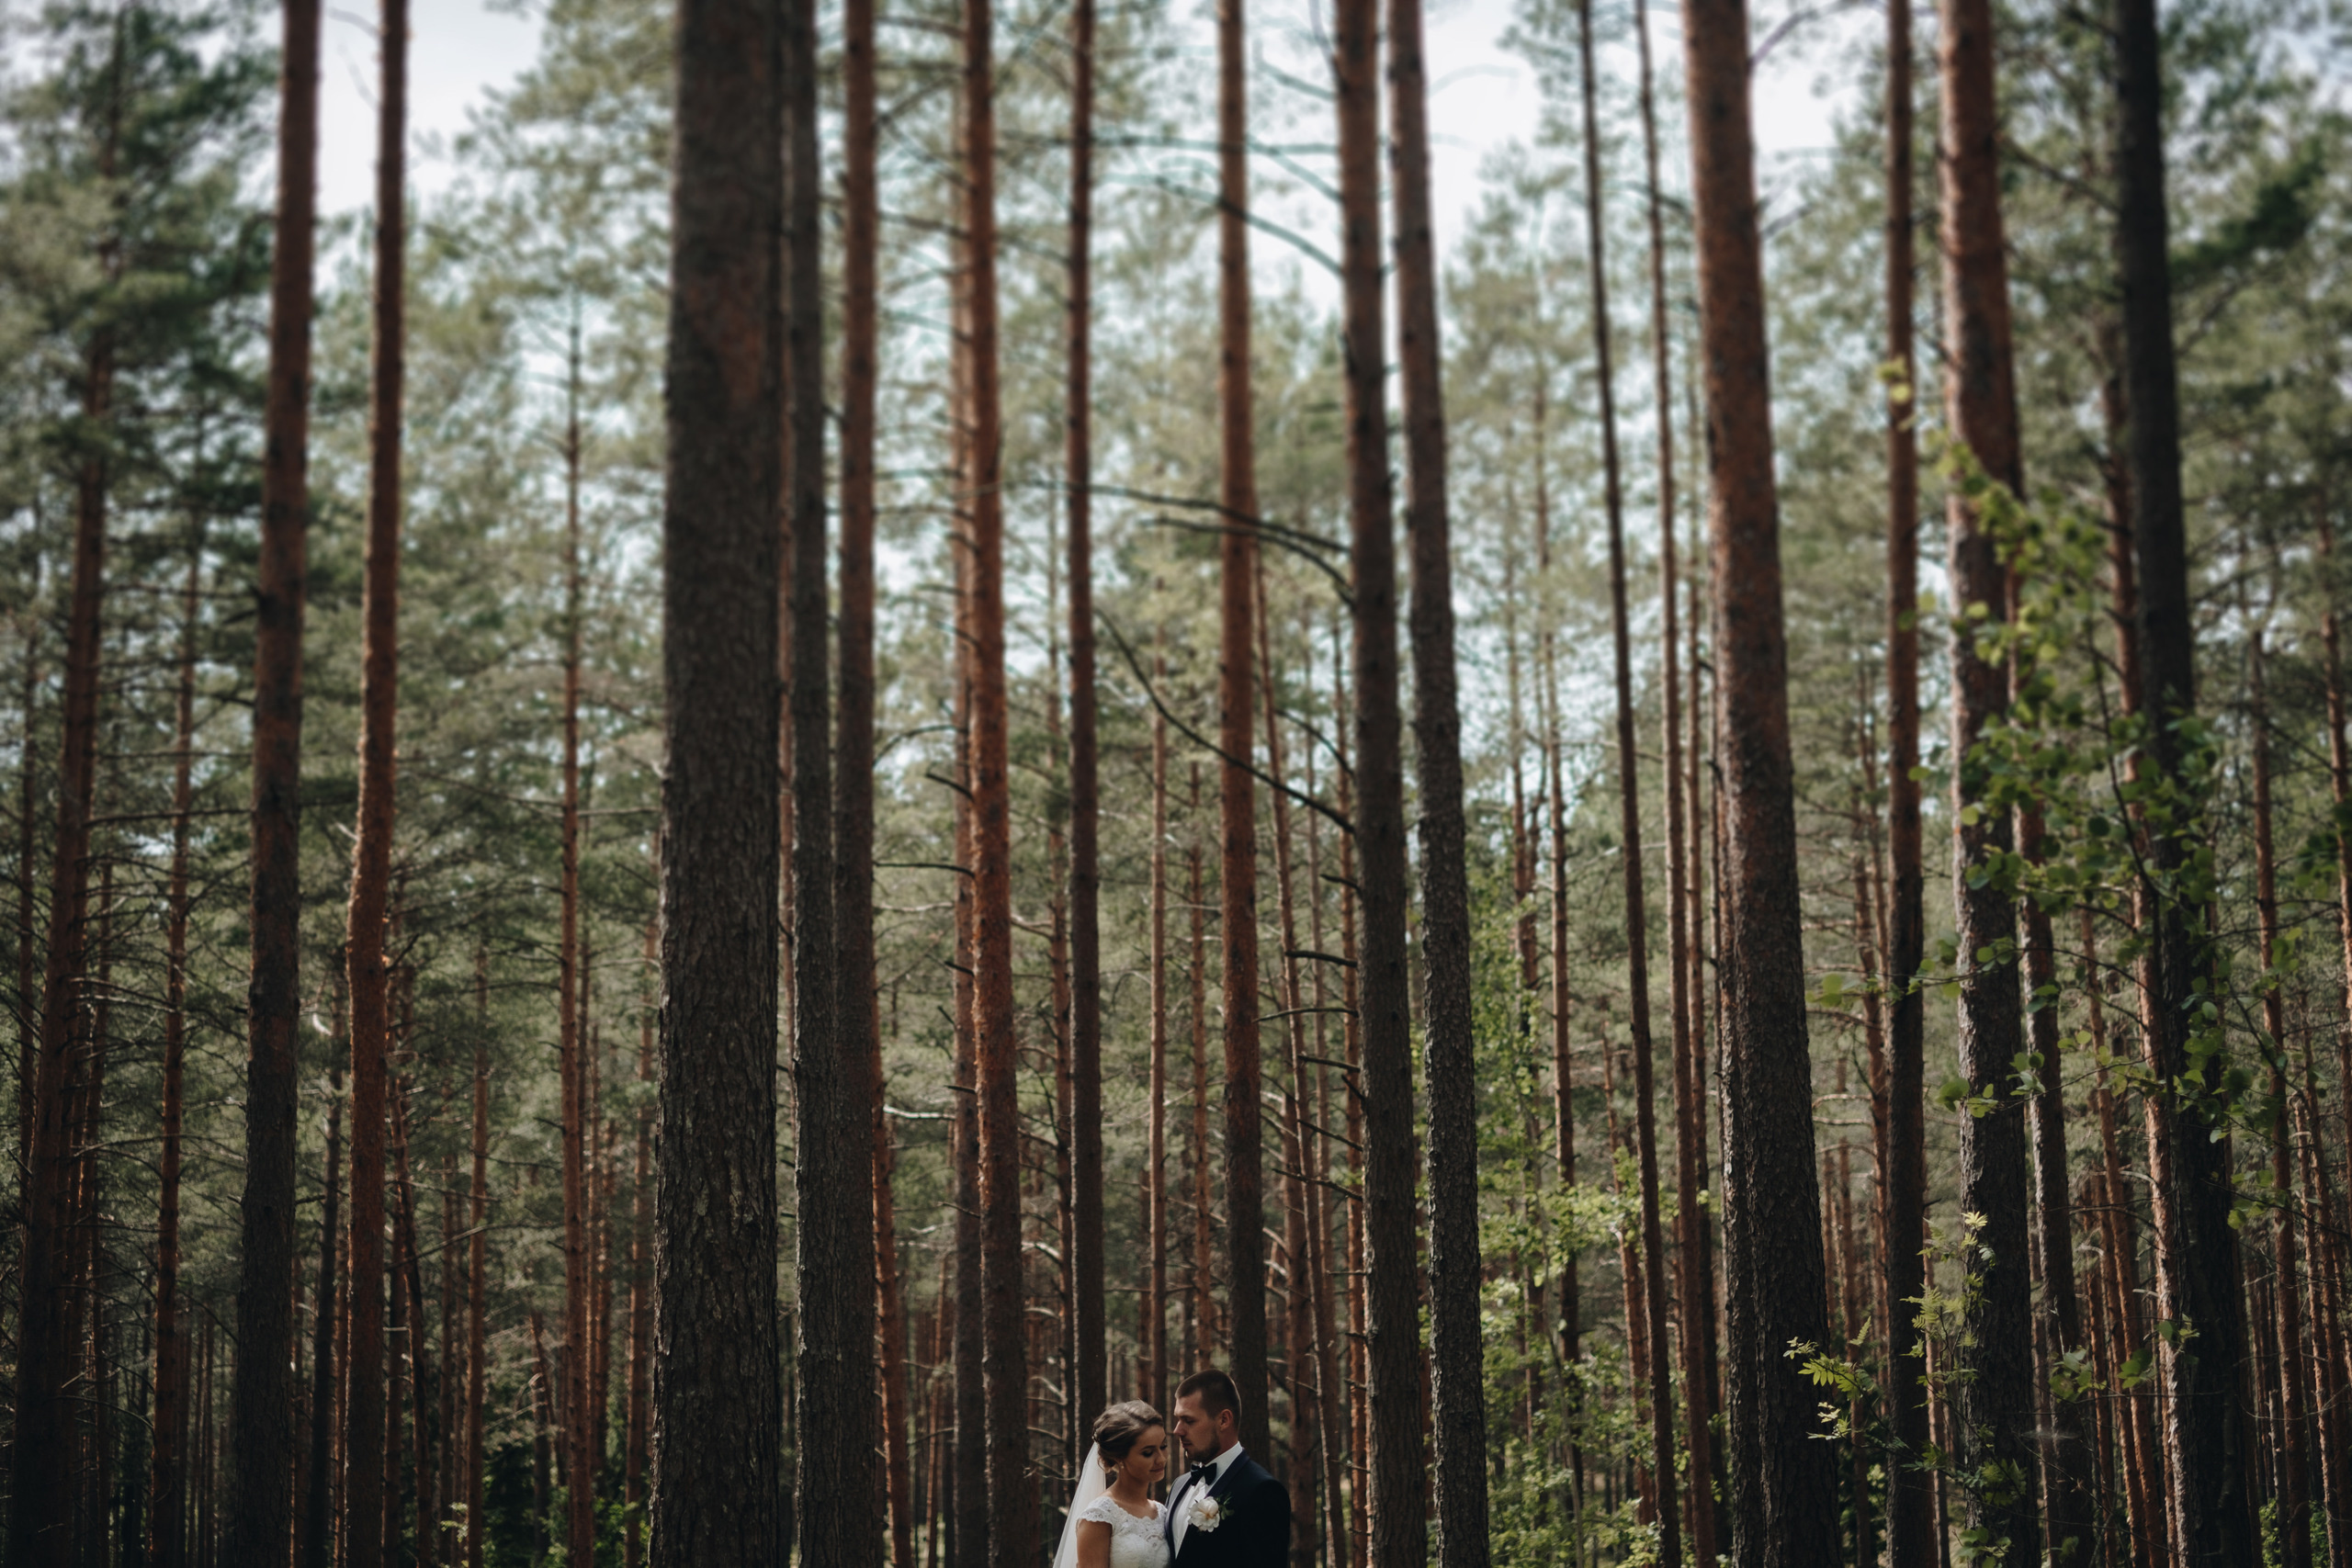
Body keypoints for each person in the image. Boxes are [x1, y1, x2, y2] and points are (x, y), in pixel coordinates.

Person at [1163, 1370, 1288, 1568]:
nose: (1177, 1430)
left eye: (1189, 1420)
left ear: (1224, 1420)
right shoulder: (1179, 1485)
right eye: (1178, 1419)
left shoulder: (1262, 1490)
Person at [1054, 1402, 1173, 1568]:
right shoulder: (1101, 1515)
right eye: (1148, 1453)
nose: (1161, 1458)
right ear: (1119, 1457)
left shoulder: (1161, 1512)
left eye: (1163, 1446)